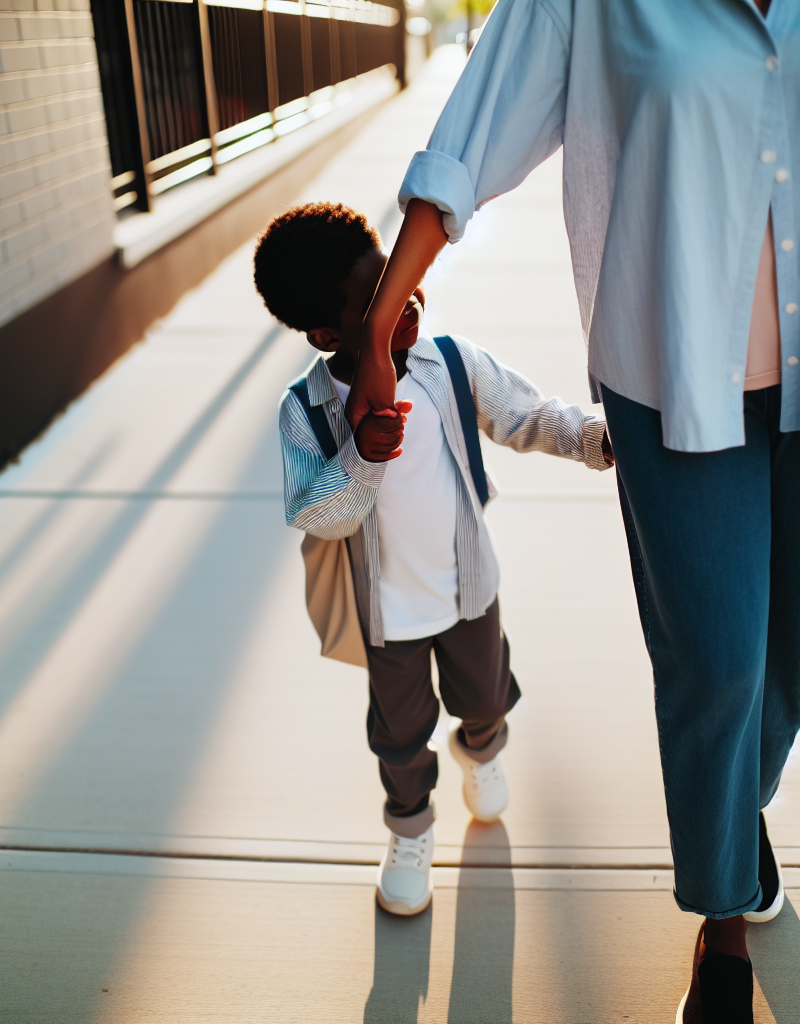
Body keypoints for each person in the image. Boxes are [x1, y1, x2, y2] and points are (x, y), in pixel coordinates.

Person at [343, 1, 800, 1020]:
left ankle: (736, 815)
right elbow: (472, 134)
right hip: (670, 373)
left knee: (786, 655)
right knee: (716, 665)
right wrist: (379, 322)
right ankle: (723, 920)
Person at [256, 202, 614, 917]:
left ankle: (481, 750)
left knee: (485, 698)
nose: (406, 299)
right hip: (387, 615)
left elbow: (527, 415)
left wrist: (600, 439)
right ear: (328, 335)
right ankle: (411, 829)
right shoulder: (307, 411)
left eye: (398, 277)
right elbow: (314, 514)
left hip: (468, 589)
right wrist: (362, 455)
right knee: (399, 734)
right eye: (376, 301)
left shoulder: (448, 363)